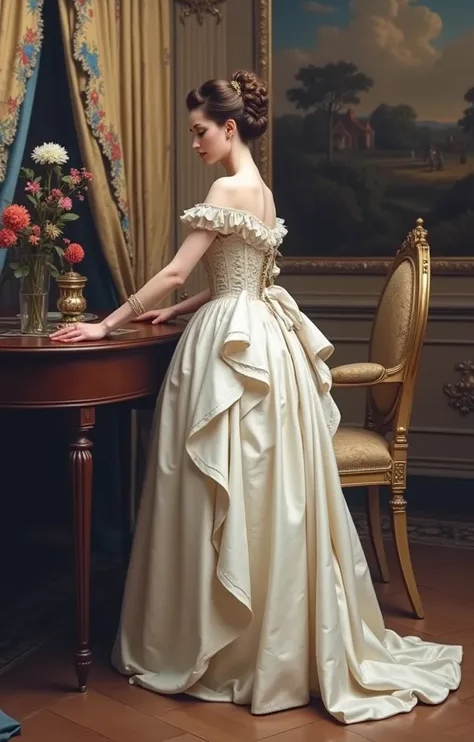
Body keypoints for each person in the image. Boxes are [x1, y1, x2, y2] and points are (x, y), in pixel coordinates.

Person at [50, 70, 462, 724]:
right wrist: (174, 309)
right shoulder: (262, 194)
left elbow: (184, 267)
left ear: (230, 127)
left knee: (223, 482)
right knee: (268, 494)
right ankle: (271, 634)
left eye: (199, 131)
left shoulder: (224, 187)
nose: (194, 143)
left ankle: (215, 643)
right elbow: (231, 277)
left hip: (229, 344)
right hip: (263, 338)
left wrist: (108, 322)